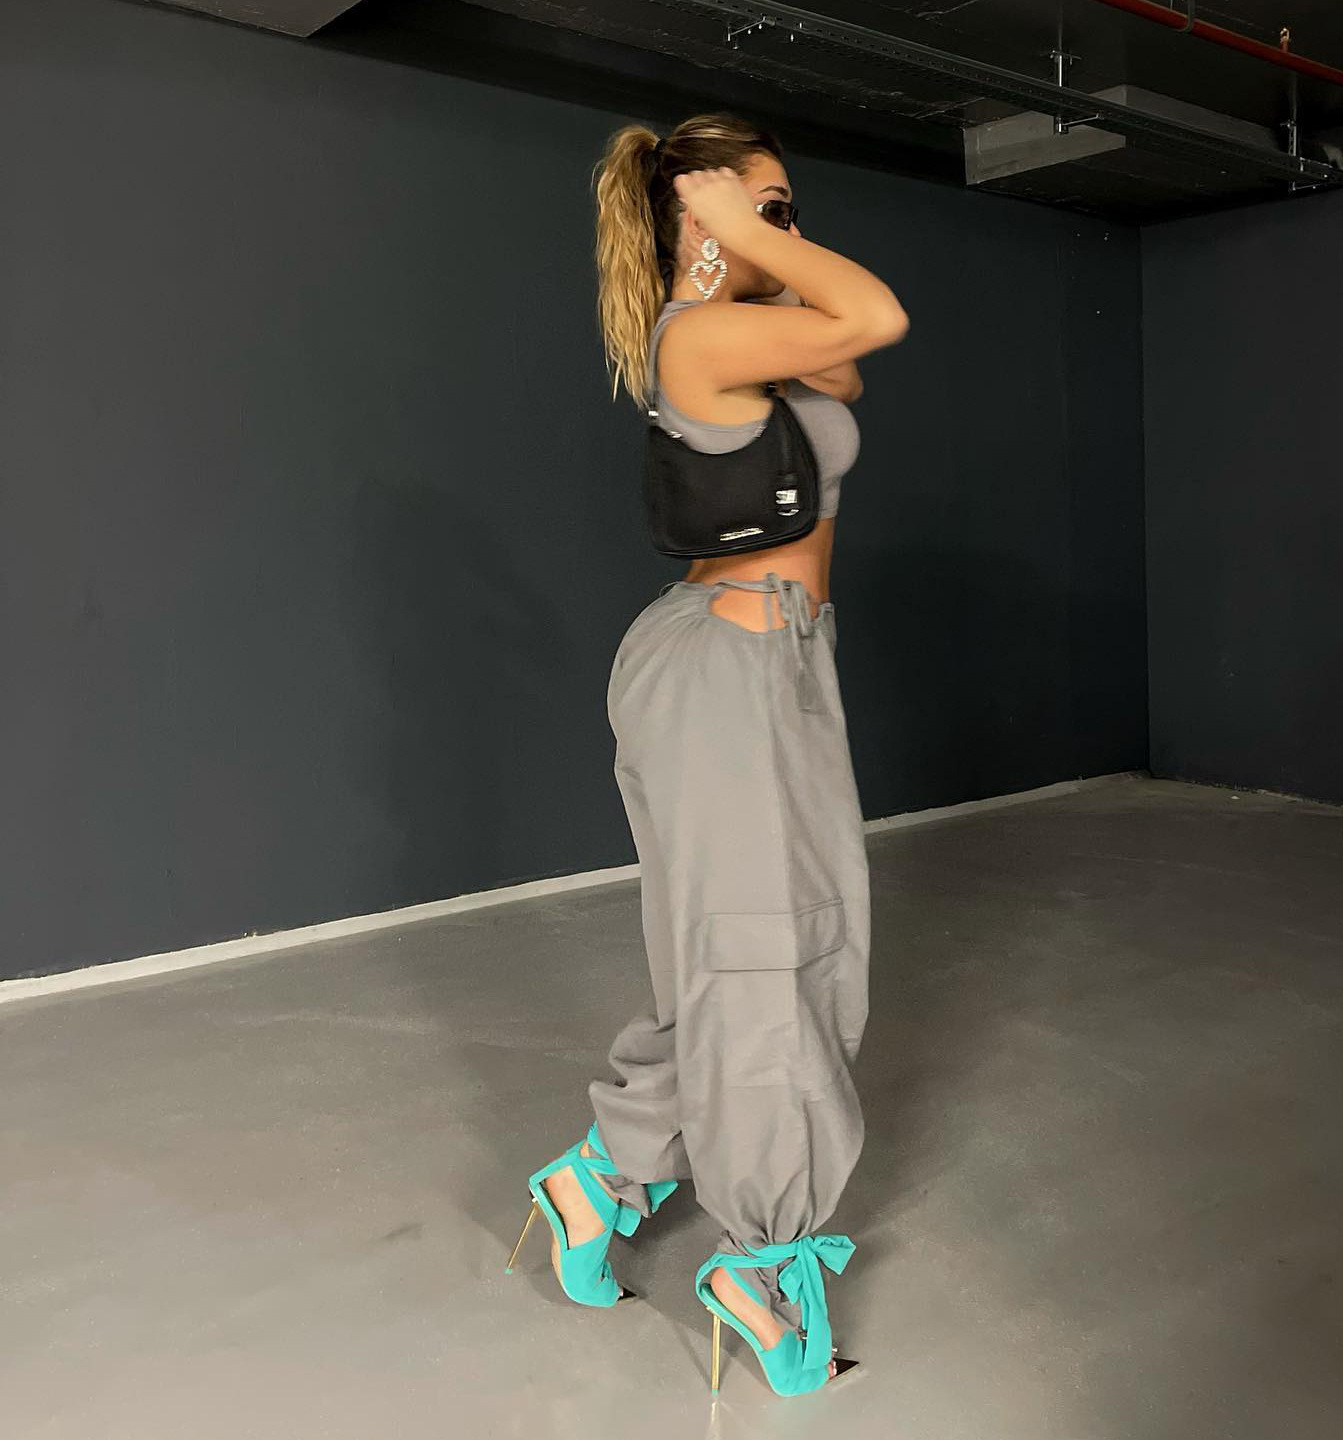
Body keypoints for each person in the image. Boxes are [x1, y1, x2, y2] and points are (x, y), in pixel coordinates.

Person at [506, 111, 908, 1398]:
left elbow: (848, 367)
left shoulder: (752, 330)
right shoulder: (696, 339)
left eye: (792, 209)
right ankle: (765, 1271)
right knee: (766, 959)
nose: (790, 229)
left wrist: (752, 241)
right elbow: (875, 316)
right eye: (771, 204)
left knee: (739, 957)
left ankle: (601, 1182)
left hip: (765, 658)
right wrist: (735, 232)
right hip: (730, 665)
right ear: (701, 210)